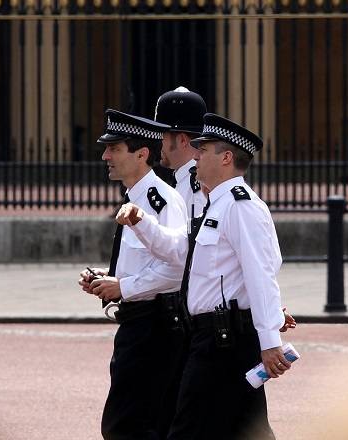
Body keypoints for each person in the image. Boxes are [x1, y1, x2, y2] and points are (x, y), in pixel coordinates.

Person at [117, 113, 293, 439]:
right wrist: (142, 222)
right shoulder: (216, 204)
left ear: (226, 158)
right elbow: (179, 251)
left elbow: (262, 272)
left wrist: (270, 341)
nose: (196, 155)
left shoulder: (240, 206)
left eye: (205, 149)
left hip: (224, 341)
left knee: (187, 428)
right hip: (214, 337)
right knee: (247, 430)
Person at [78, 109, 189, 439]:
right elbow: (149, 261)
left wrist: (123, 286)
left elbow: (177, 268)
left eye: (114, 149)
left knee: (124, 426)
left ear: (142, 154)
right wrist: (108, 277)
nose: (105, 156)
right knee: (151, 423)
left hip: (154, 327)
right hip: (141, 324)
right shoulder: (137, 196)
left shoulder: (161, 201)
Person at [153, 86, 210, 221]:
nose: (157, 143)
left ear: (182, 140)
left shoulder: (197, 187)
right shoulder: (183, 180)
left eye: (162, 136)